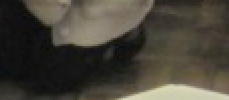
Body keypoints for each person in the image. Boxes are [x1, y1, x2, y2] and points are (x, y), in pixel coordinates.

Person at [18, 0, 152, 94]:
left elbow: (50, 15)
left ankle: (96, 49)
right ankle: (125, 33)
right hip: (131, 9)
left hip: (82, 23)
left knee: (49, 80)